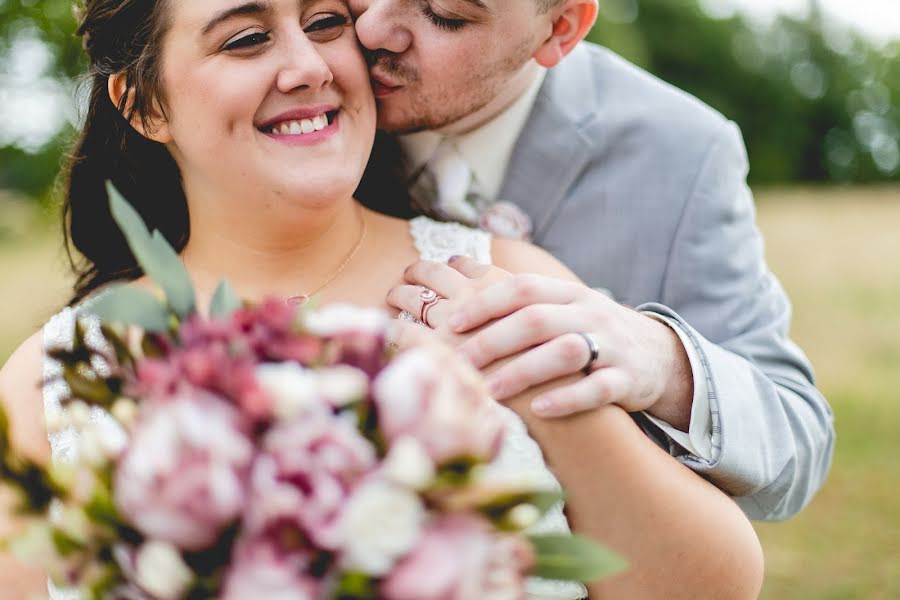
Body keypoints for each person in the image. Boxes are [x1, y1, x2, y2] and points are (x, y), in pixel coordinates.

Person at [0, 1, 764, 598]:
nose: (307, 67)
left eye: (326, 24)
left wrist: (533, 383)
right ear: (144, 104)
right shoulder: (52, 380)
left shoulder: (493, 281)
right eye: (244, 39)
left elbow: (710, 587)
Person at [351, 0, 836, 521]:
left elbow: (798, 447)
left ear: (561, 28)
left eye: (445, 14)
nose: (370, 27)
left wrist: (664, 363)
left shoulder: (684, 152)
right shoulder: (295, 92)